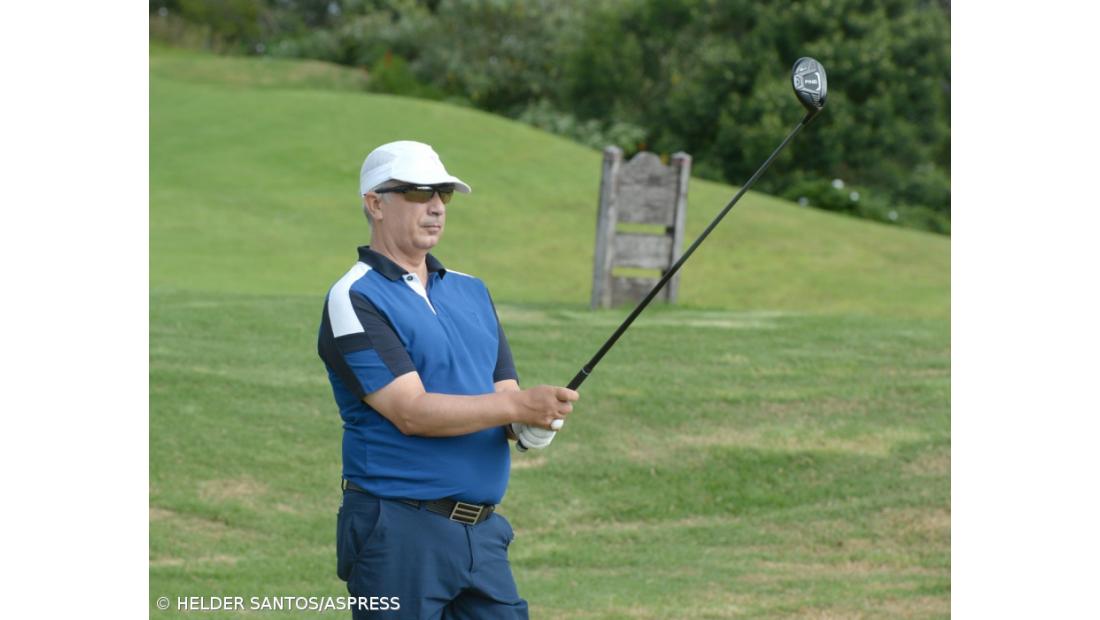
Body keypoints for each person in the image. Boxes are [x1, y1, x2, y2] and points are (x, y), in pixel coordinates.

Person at [317, 140, 579, 619]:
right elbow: (411, 411)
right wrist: (519, 408)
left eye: (443, 194)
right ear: (375, 203)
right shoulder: (354, 296)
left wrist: (530, 426)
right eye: (418, 193)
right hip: (396, 530)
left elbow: (502, 399)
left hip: (482, 533)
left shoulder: (471, 290)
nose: (436, 206)